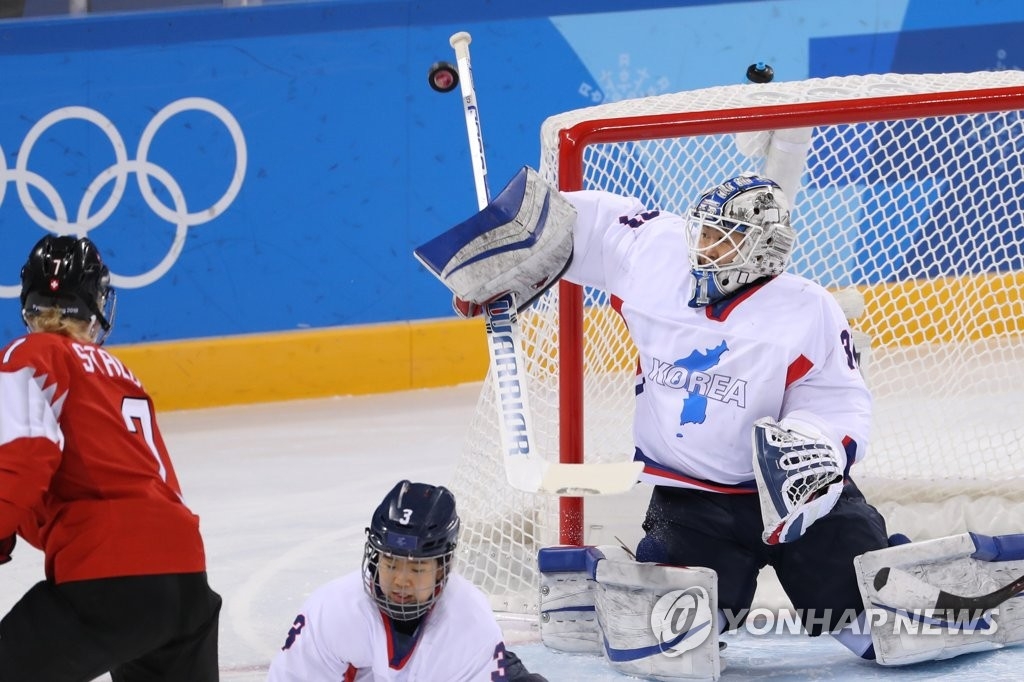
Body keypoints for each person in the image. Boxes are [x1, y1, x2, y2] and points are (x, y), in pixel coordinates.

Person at [559, 173, 890, 658]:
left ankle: (900, 572)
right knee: (668, 641)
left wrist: (810, 442)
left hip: (797, 502)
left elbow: (838, 399)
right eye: (704, 231)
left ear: (764, 246)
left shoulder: (806, 308)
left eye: (722, 236)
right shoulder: (658, 263)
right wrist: (512, 252)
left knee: (876, 633)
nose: (704, 246)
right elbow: (590, 226)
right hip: (692, 504)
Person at [0, 235, 221, 680]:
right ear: (97, 302)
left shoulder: (26, 356)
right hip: (187, 583)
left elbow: (27, 460)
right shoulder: (122, 375)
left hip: (109, 580)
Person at [268, 479, 546, 681]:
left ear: (441, 569)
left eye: (416, 569)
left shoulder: (469, 622)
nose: (400, 580)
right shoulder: (334, 610)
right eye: (390, 564)